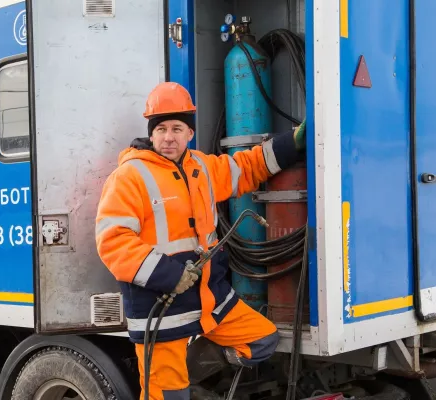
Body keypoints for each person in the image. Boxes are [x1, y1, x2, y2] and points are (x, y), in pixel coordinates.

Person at [94, 82, 305, 399]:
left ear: (189, 133)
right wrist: (169, 275)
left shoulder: (203, 167)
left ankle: (196, 367)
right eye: (161, 128)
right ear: (151, 134)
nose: (169, 137)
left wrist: (293, 143)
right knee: (169, 397)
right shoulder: (129, 176)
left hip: (210, 302)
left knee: (263, 341)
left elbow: (249, 166)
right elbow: (112, 242)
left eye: (177, 128)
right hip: (161, 313)